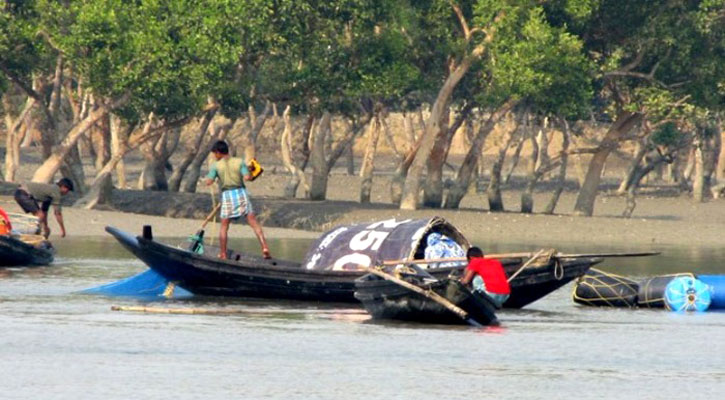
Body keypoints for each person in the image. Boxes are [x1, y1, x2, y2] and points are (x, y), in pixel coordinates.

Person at [204, 140, 271, 260]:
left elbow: (209, 182)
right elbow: (247, 177)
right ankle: (265, 248)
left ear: (219, 152)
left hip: (227, 195)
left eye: (215, 153)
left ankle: (223, 254)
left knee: (224, 226)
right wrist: (251, 172)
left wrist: (209, 179)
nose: (215, 156)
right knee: (253, 223)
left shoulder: (216, 166)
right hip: (241, 194)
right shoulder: (239, 162)